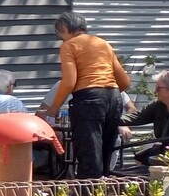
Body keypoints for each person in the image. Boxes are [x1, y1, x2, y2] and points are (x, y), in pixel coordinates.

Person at [39, 11, 130, 180]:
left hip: (89, 101)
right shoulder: (103, 44)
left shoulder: (69, 46)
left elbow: (69, 81)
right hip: (113, 98)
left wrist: (53, 108)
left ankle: (87, 195)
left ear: (64, 28)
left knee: (89, 155)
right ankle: (103, 191)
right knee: (105, 153)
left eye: (60, 34)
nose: (61, 39)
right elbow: (124, 82)